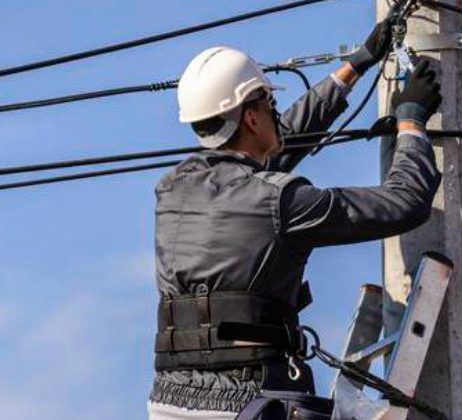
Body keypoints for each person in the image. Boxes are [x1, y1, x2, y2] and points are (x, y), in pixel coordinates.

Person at [148, 22, 443, 419]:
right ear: (251, 119)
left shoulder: (174, 188)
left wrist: (354, 68)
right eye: (269, 104)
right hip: (249, 403)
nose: (276, 113)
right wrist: (411, 122)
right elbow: (405, 202)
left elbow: (270, 150)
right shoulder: (280, 200)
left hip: (171, 402)